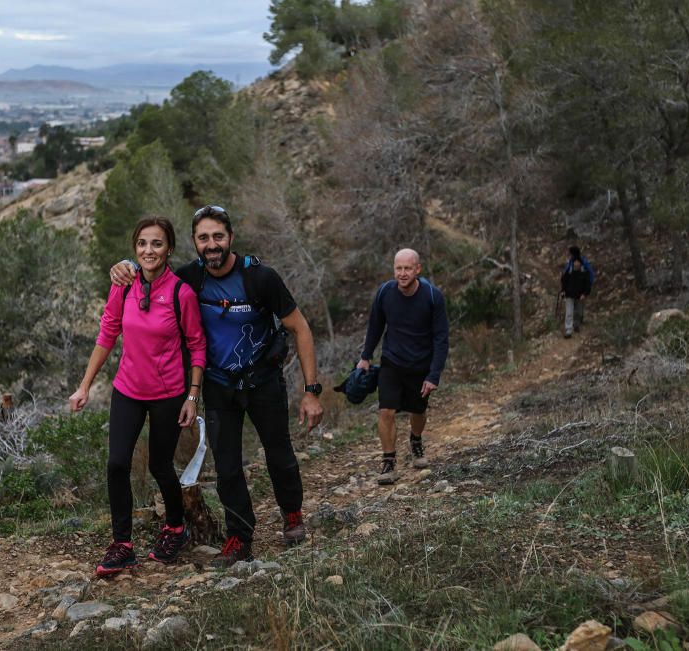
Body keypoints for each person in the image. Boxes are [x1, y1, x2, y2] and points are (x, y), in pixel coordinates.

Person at [110, 205, 324, 567]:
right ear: (194, 242)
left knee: (280, 454)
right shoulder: (190, 279)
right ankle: (240, 537)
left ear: (231, 238)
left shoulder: (260, 277)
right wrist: (122, 266)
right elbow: (148, 275)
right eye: (203, 238)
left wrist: (311, 390)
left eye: (218, 237)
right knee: (226, 467)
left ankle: (292, 517)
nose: (212, 244)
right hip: (219, 384)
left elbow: (300, 328)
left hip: (263, 381)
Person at [70, 216, 207, 577]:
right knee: (117, 464)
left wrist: (192, 396)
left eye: (157, 243)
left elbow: (196, 345)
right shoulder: (124, 285)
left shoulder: (182, 294)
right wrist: (84, 385)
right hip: (127, 389)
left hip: (168, 394)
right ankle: (122, 545)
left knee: (160, 465)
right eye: (142, 244)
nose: (149, 250)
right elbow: (107, 332)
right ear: (135, 248)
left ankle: (175, 528)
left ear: (169, 249)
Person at [357, 249, 449, 485]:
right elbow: (375, 326)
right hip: (392, 363)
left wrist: (433, 375)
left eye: (408, 268)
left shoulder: (432, 296)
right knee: (385, 411)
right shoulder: (385, 293)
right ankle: (388, 461)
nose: (403, 273)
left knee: (417, 411)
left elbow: (441, 338)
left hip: (420, 365)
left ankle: (416, 440)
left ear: (418, 269)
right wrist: (366, 357)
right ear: (393, 269)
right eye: (399, 268)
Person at [560, 250, 592, 338]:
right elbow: (564, 281)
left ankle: (576, 324)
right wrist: (563, 291)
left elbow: (587, 284)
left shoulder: (584, 273)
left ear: (580, 263)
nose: (576, 264)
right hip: (569, 294)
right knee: (569, 312)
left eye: (578, 262)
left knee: (578, 312)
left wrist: (584, 294)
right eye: (575, 262)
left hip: (579, 295)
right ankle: (568, 330)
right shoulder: (569, 272)